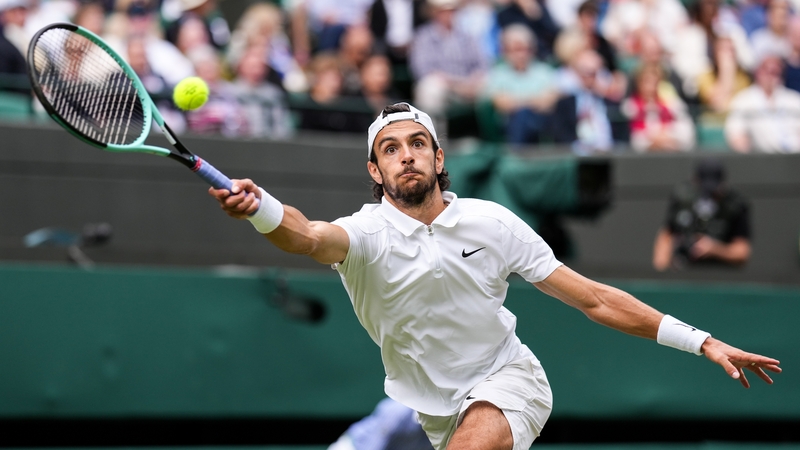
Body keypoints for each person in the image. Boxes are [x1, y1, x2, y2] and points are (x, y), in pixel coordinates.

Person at [209, 102, 781, 450]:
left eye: (417, 144)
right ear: (375, 171)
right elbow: (306, 235)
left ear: (438, 159)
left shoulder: (493, 222)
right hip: (434, 411)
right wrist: (261, 210)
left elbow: (594, 299)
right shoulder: (362, 235)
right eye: (390, 149)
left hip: (509, 382)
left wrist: (701, 341)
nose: (406, 155)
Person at [652, 159, 751, 271]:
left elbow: (742, 252)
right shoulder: (682, 199)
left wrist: (714, 249)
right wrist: (662, 271)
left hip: (720, 274)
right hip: (683, 271)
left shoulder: (735, 204)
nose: (709, 194)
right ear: (695, 181)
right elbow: (666, 234)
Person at [482, 24, 559, 144]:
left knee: (525, 115)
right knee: (522, 116)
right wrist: (533, 101)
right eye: (516, 50)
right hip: (509, 124)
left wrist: (518, 102)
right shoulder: (498, 74)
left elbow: (548, 101)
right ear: (506, 51)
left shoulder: (544, 71)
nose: (521, 55)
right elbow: (501, 103)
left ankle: (516, 151)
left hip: (540, 123)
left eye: (526, 49)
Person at [725, 53, 800, 153]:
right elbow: (736, 135)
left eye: (775, 72)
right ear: (757, 72)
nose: (771, 77)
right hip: (763, 158)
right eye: (767, 70)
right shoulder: (743, 101)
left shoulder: (794, 99)